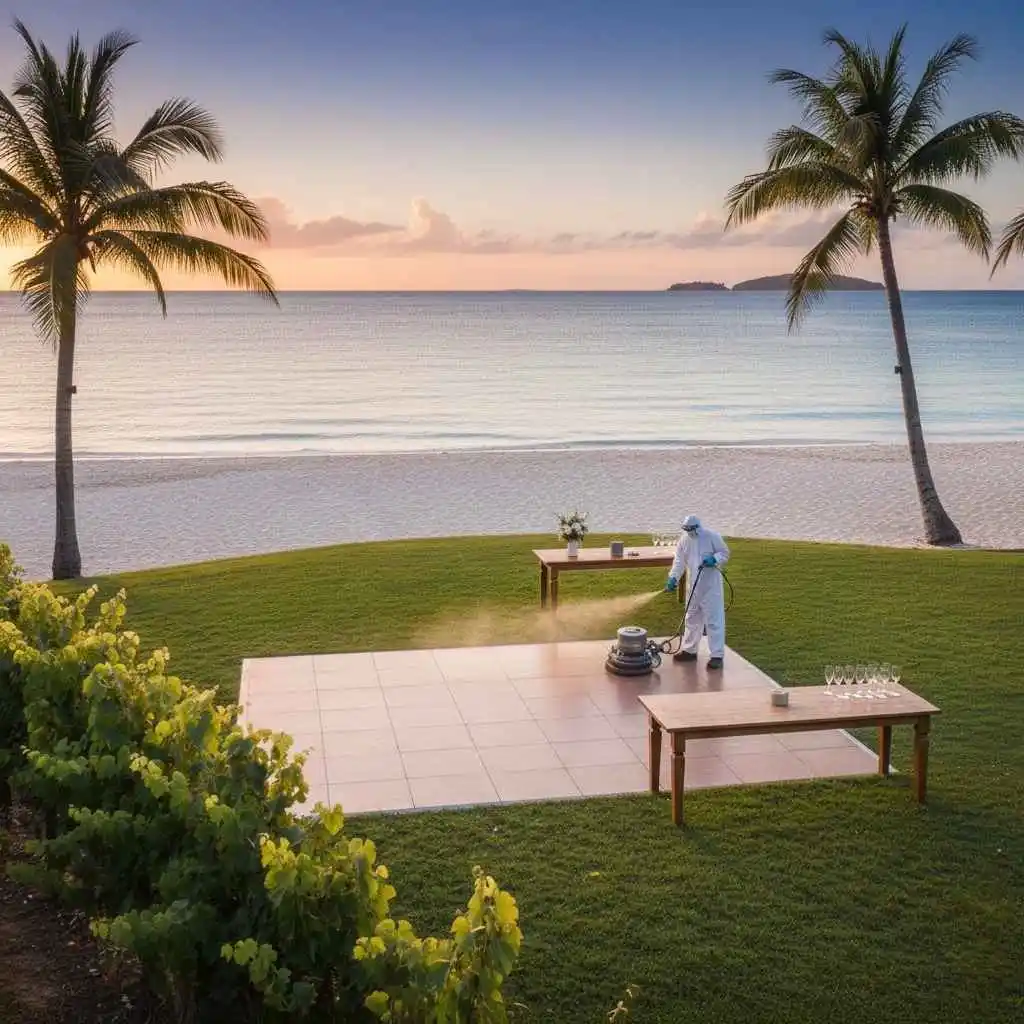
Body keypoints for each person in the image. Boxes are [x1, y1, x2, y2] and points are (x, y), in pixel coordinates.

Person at [664, 515, 730, 669]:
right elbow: (679, 561)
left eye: (690, 529)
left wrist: (714, 559)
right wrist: (673, 577)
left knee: (714, 621)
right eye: (686, 529)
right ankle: (689, 651)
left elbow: (725, 553)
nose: (689, 532)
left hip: (710, 588)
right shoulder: (684, 540)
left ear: (697, 527)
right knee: (692, 618)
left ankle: (717, 656)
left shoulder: (712, 536)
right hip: (693, 587)